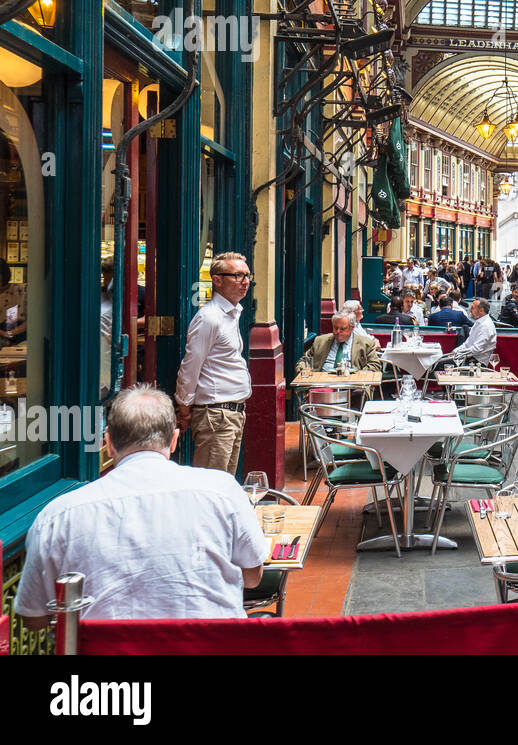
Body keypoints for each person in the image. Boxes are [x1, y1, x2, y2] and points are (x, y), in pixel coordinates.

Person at [14, 386, 268, 626]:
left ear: (109, 443)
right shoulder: (222, 491)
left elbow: (33, 617)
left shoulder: (58, 516)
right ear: (174, 441)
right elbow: (252, 577)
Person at [174, 251, 253, 474]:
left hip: (232, 413)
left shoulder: (232, 313)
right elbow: (191, 365)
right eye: (237, 276)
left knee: (225, 483)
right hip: (216, 415)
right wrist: (184, 408)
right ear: (217, 280)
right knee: (212, 485)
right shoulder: (210, 317)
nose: (245, 282)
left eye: (247, 276)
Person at [296, 312, 383, 376]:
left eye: (342, 329)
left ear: (352, 328)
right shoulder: (320, 341)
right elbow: (304, 360)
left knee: (358, 394)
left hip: (353, 385)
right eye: (335, 328)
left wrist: (357, 376)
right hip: (323, 383)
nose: (337, 332)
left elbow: (375, 365)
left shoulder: (365, 343)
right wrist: (303, 368)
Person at [438, 298, 497, 367]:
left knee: (439, 364)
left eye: (472, 308)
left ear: (481, 310)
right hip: (468, 358)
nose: (470, 310)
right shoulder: (479, 323)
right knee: (437, 361)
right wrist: (455, 351)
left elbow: (476, 349)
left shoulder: (486, 326)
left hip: (476, 363)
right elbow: (467, 344)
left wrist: (458, 353)